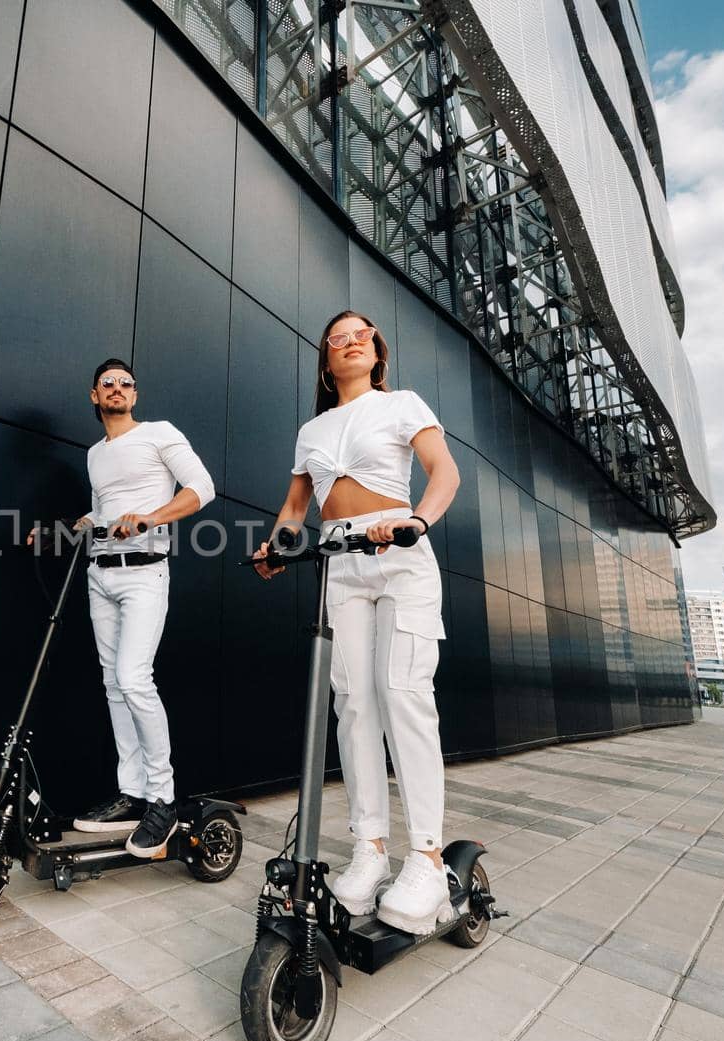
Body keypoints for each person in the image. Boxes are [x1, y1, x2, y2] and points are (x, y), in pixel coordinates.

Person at [252, 310, 460, 934]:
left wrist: (417, 520)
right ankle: (369, 849)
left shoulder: (402, 406)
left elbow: (443, 472)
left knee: (402, 695)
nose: (348, 344)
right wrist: (276, 544)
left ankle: (426, 855)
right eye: (336, 339)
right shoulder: (313, 428)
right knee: (354, 703)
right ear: (325, 358)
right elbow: (296, 505)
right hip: (339, 559)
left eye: (359, 336)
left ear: (377, 351)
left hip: (397, 548)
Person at [70, 358, 215, 858]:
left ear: (135, 394)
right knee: (113, 682)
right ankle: (131, 791)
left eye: (125, 383)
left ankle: (163, 798)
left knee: (134, 677)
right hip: (99, 574)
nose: (116, 389)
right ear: (95, 396)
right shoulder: (95, 454)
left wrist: (150, 517)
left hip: (144, 573)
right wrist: (77, 523)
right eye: (107, 383)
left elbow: (202, 489)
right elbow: (102, 507)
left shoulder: (159, 434)